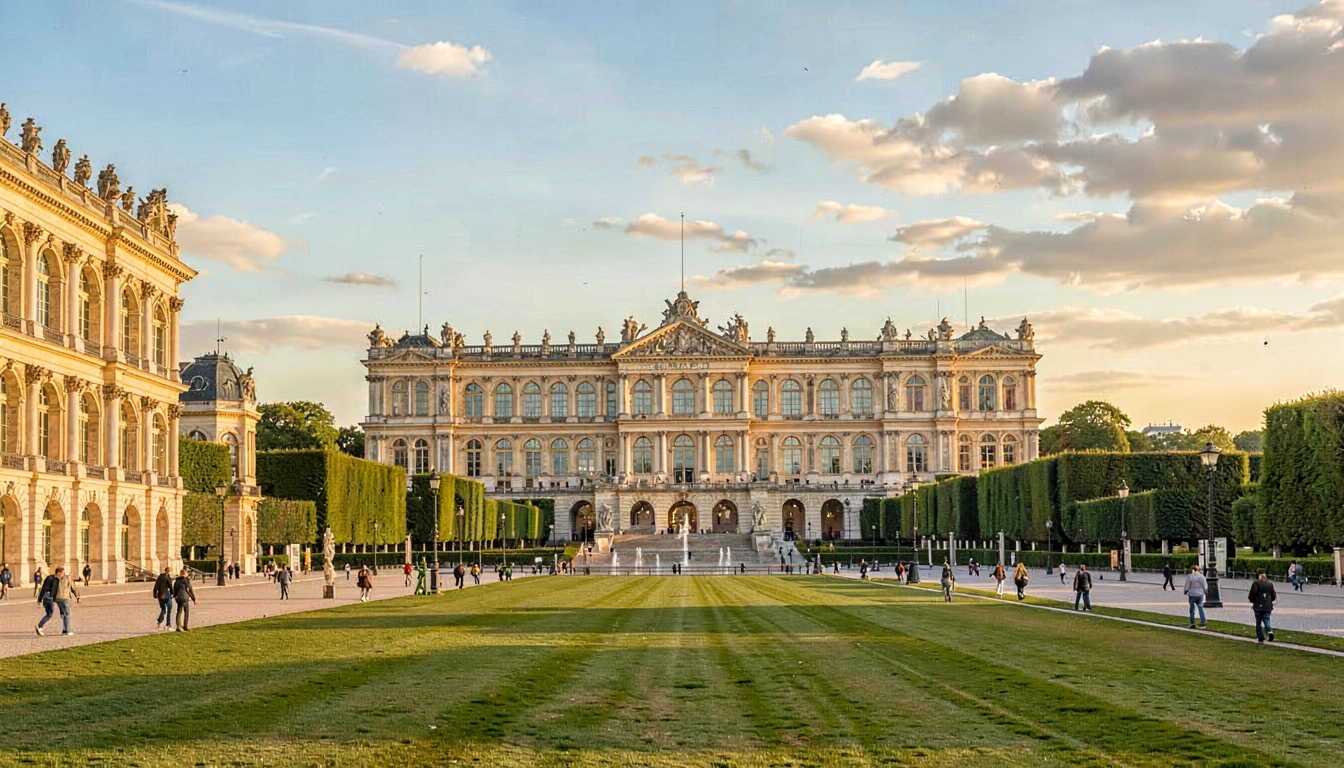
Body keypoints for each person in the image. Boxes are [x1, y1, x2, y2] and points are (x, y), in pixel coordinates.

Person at [1248, 571, 1276, 643]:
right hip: (1268, 605)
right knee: (1266, 619)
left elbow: (1252, 593)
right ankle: (1269, 631)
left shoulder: (1256, 583)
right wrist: (1270, 601)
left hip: (1258, 605)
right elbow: (1273, 595)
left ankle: (1260, 637)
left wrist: (1253, 601)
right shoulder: (1270, 584)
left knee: (1258, 622)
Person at [1184, 564, 1208, 629]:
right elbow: (1205, 586)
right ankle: (1203, 621)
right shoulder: (1202, 577)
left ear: (1192, 570)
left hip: (1192, 594)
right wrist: (1205, 593)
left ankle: (1192, 623)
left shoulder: (1190, 577)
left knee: (1192, 609)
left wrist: (1185, 591)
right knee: (1200, 607)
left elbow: (1187, 586)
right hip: (1200, 594)